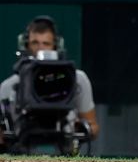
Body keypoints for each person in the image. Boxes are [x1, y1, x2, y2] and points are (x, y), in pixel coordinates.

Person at [0, 16, 99, 145]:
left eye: (46, 43)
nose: (40, 48)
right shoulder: (9, 86)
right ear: (26, 45)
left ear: (55, 46)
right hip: (21, 151)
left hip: (65, 152)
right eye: (35, 42)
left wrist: (81, 129)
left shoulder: (77, 79)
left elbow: (93, 127)